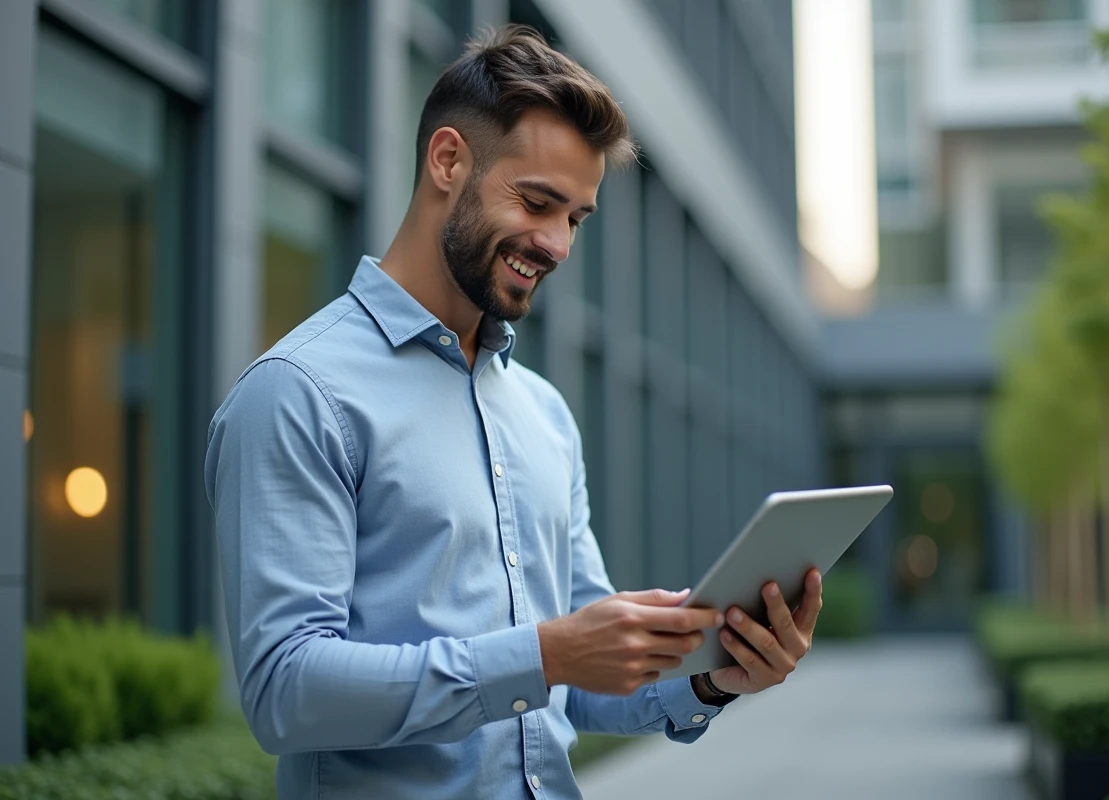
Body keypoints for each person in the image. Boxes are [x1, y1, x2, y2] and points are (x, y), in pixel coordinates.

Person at [205, 24, 822, 800]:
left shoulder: (543, 414)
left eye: (576, 217)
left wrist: (714, 678)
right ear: (448, 160)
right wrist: (545, 655)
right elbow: (284, 693)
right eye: (537, 202)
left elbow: (586, 680)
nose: (558, 244)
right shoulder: (298, 391)